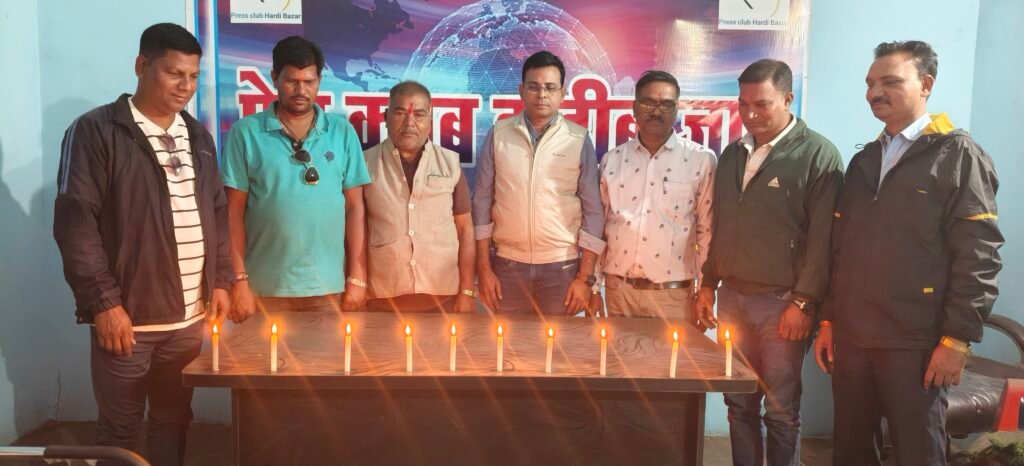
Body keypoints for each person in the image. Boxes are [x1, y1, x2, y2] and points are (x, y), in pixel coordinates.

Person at [815, 40, 1002, 466]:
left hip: (916, 341)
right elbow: (841, 249)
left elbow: (980, 255)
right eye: (870, 83)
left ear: (926, 84)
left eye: (890, 82)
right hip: (853, 338)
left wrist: (957, 340)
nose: (874, 92)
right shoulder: (865, 160)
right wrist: (829, 319)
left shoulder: (958, 155)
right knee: (851, 452)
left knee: (919, 452)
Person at [53, 23, 232, 466]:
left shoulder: (198, 136)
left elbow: (217, 213)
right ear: (141, 66)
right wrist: (104, 304)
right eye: (174, 73)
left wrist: (221, 280)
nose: (185, 86)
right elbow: (76, 226)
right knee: (120, 430)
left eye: (193, 76)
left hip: (189, 318)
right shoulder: (97, 131)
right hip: (128, 319)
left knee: (174, 419)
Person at [696, 59, 845, 466]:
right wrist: (708, 284)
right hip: (732, 299)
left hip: (783, 305)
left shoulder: (818, 155)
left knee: (780, 410)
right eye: (743, 104)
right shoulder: (733, 154)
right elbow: (720, 226)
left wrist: (804, 302)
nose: (750, 114)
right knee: (738, 403)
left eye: (761, 104)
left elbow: (824, 241)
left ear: (788, 98)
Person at [220, 36, 370, 317]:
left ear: (320, 80)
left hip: (328, 289)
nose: (301, 90)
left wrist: (358, 277)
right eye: (292, 81)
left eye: (309, 81)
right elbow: (233, 213)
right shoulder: (246, 133)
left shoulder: (342, 132)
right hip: (263, 290)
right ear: (274, 77)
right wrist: (239, 280)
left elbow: (355, 208)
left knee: (330, 350)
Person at [472, 50, 606, 316]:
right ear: (521, 91)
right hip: (507, 267)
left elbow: (593, 211)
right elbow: (482, 202)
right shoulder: (499, 135)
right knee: (507, 341)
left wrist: (584, 278)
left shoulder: (577, 139)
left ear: (562, 93)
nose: (542, 95)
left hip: (562, 268)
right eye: (533, 87)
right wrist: (484, 269)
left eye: (550, 88)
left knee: (559, 342)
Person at [597, 70, 715, 322]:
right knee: (616, 351)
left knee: (673, 352)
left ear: (677, 110)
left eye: (666, 104)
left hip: (673, 297)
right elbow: (599, 227)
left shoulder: (701, 160)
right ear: (634, 108)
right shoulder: (612, 160)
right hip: (619, 292)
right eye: (648, 102)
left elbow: (706, 231)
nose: (656, 111)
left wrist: (705, 289)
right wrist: (594, 285)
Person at [362, 81, 476, 314]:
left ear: (431, 121)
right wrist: (357, 282)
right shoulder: (365, 163)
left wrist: (466, 290)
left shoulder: (449, 163)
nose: (409, 123)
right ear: (385, 117)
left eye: (419, 115)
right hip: (382, 296)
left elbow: (465, 229)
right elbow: (355, 230)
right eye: (400, 113)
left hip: (443, 296)